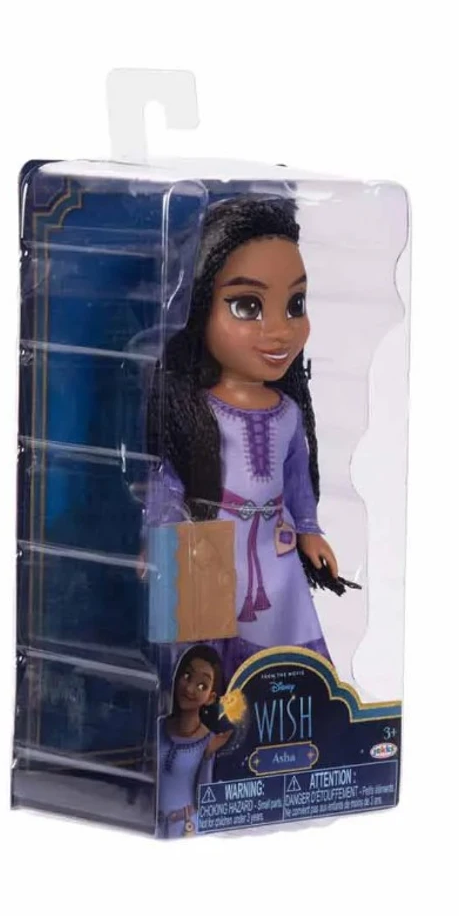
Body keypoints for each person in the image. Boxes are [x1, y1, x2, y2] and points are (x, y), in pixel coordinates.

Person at [144, 195, 358, 682]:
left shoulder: (287, 414)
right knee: (207, 654)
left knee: (287, 636)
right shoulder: (199, 410)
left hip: (275, 548)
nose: (279, 330)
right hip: (213, 545)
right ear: (200, 307)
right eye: (248, 306)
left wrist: (309, 529)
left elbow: (296, 478)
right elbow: (169, 477)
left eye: (295, 305)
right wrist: (160, 536)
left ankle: (289, 711)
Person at [156, 645, 231, 837]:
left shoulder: (208, 742)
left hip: (186, 830)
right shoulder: (159, 726)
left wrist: (208, 756)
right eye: (187, 676)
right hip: (148, 824)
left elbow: (205, 796)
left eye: (201, 686)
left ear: (210, 698)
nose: (189, 688)